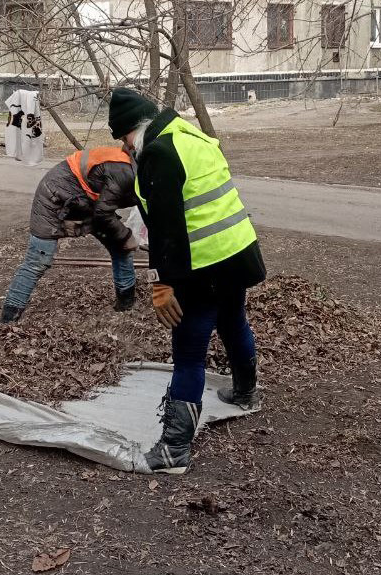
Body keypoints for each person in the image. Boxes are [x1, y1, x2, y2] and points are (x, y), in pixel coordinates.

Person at [108, 88, 266, 474]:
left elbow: (167, 230)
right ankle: (246, 393)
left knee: (190, 349)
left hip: (205, 265)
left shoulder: (159, 152)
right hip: (237, 251)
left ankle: (173, 449)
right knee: (233, 321)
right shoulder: (190, 135)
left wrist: (161, 283)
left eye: (125, 140)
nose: (127, 149)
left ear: (136, 130)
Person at [0, 145, 139, 324]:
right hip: (54, 195)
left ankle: (126, 308)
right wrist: (127, 236)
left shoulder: (145, 173)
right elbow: (103, 213)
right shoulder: (125, 172)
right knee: (38, 260)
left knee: (121, 248)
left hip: (88, 201)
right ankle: (7, 322)